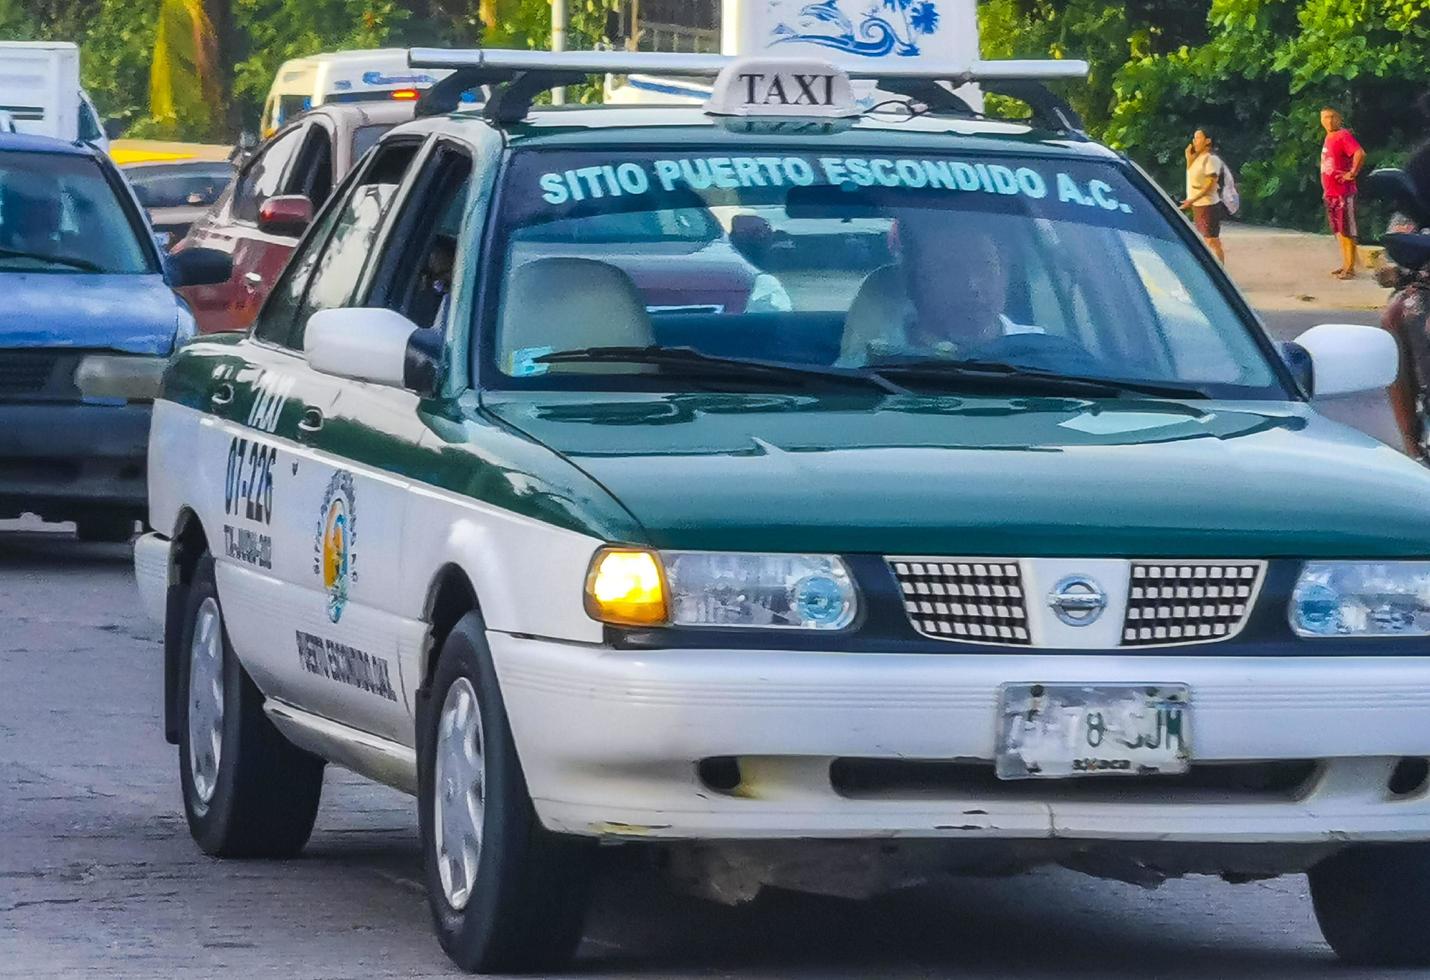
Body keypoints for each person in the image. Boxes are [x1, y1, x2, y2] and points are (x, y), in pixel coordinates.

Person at [838, 214, 1039, 365]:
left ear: (1005, 273)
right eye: (949, 271)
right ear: (915, 282)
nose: (972, 286)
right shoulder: (867, 366)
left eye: (985, 267)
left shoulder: (1045, 353)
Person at [1320, 107, 1367, 280]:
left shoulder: (1343, 135)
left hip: (1343, 193)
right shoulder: (1329, 137)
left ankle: (1350, 268)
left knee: (1347, 229)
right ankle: (1345, 264)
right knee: (1339, 230)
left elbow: (1359, 153)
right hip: (1331, 193)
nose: (1329, 121)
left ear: (1339, 119)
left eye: (1333, 117)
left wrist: (1352, 173)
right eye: (1325, 117)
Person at [1181, 128, 1226, 264]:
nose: (1195, 142)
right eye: (1194, 138)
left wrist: (1192, 200)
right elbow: (1191, 178)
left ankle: (1220, 271)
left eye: (1198, 138)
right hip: (1198, 205)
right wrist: (1189, 159)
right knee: (1205, 240)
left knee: (1211, 240)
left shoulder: (1211, 159)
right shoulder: (1197, 159)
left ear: (1207, 141)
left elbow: (1210, 185)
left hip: (1208, 205)